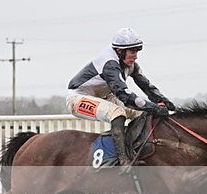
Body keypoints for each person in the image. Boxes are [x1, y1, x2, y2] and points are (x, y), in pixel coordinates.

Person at [66, 27, 176, 166]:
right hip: (78, 98)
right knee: (117, 113)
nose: (135, 56)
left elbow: (146, 86)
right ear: (120, 51)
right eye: (132, 51)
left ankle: (134, 150)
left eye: (137, 51)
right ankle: (123, 159)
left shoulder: (129, 63)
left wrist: (164, 101)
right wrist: (154, 107)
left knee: (141, 114)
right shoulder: (110, 64)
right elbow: (125, 96)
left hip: (104, 96)